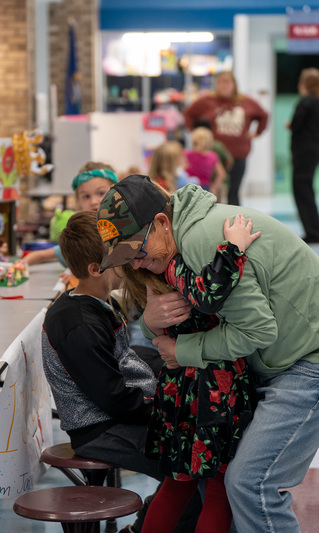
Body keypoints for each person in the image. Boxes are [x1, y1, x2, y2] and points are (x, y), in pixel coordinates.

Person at [96, 175, 319, 533]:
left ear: (162, 223)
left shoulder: (199, 241)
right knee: (216, 482)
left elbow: (257, 330)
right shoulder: (175, 243)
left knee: (250, 484)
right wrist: (152, 325)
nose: (135, 264)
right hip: (281, 360)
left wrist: (183, 351)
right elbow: (186, 317)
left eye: (136, 252)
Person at [41, 210, 199, 533]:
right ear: (95, 269)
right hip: (101, 429)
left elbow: (124, 362)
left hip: (118, 416)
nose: (129, 261)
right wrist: (164, 410)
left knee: (191, 464)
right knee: (188, 470)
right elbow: (113, 398)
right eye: (119, 257)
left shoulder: (96, 302)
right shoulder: (78, 326)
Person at [116, 214, 260, 533]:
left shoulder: (146, 285)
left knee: (176, 487)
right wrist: (232, 248)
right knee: (220, 491)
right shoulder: (176, 273)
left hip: (178, 391)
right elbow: (213, 290)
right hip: (216, 387)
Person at [183, 71, 269, 206]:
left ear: (234, 84)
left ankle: (236, 224)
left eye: (226, 82)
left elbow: (263, 115)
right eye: (220, 82)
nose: (223, 86)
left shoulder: (246, 102)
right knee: (213, 192)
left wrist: (257, 133)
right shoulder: (207, 101)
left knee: (234, 192)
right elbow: (188, 113)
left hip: (239, 153)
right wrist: (197, 133)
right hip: (214, 155)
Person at [14, 163, 118, 269]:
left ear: (116, 194)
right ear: (78, 201)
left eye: (101, 193)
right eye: (86, 196)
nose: (93, 201)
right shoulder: (82, 235)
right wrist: (22, 263)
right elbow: (42, 255)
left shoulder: (125, 229)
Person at [287, 67, 319, 244]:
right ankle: (314, 230)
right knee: (307, 190)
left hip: (303, 151)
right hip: (315, 150)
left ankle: (313, 233)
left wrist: (290, 125)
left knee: (302, 191)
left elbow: (296, 124)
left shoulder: (305, 102)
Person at [184, 126, 226, 198]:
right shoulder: (212, 156)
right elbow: (221, 174)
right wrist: (214, 187)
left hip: (188, 188)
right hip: (205, 189)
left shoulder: (186, 154)